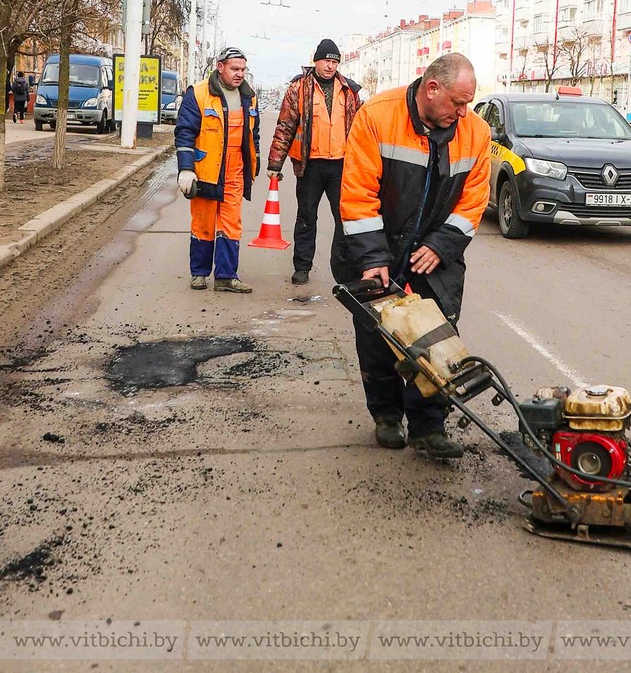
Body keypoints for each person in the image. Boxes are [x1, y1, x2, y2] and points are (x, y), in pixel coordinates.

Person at [340, 53, 491, 459]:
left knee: (437, 334)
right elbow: (357, 195)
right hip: (378, 242)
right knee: (378, 335)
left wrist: (441, 245)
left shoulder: (476, 133)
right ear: (432, 88)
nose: (463, 113)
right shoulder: (377, 116)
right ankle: (387, 416)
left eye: (468, 104)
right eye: (457, 103)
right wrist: (373, 256)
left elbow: (474, 200)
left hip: (434, 250)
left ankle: (428, 426)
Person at [267, 39, 362, 285]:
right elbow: (285, 126)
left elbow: (361, 130)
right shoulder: (299, 88)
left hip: (341, 165)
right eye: (326, 61)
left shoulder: (349, 91)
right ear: (316, 61)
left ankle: (345, 271)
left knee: (345, 219)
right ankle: (302, 267)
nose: (330, 66)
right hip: (310, 165)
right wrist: (275, 164)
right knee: (307, 217)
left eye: (334, 62)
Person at [174, 46, 260, 293]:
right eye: (235, 69)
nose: (240, 74)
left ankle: (226, 276)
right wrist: (186, 169)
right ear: (220, 67)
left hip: (235, 171)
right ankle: (199, 273)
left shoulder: (248, 97)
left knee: (231, 224)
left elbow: (253, 135)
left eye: (243, 69)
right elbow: (185, 132)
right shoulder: (199, 94)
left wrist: (254, 165)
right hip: (206, 171)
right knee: (203, 222)